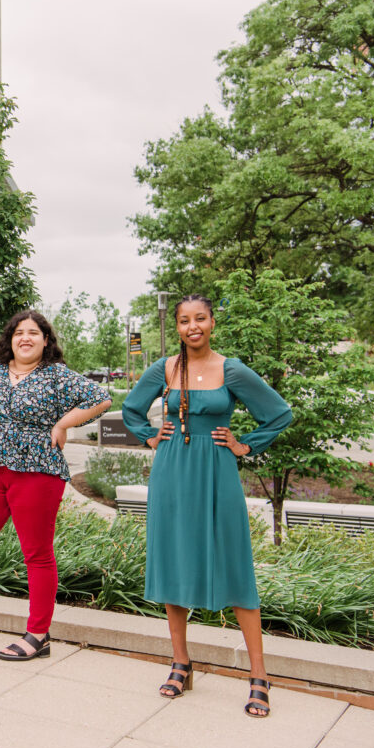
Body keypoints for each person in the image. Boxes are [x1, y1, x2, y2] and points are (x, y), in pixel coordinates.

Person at [121, 294, 291, 718]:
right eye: (183, 320)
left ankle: (259, 676)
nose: (192, 326)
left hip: (216, 472)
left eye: (200, 318)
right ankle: (181, 662)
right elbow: (130, 408)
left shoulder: (231, 369)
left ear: (213, 322)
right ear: (177, 326)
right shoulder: (164, 368)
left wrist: (243, 444)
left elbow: (279, 414)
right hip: (172, 471)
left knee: (235, 563)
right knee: (173, 561)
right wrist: (149, 434)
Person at [0, 310, 111, 660]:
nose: (25, 338)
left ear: (46, 341)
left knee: (37, 553)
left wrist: (62, 424)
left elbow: (101, 398)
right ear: (10, 339)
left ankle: (38, 634)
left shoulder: (56, 375)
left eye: (33, 333)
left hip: (38, 474)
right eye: (19, 333)